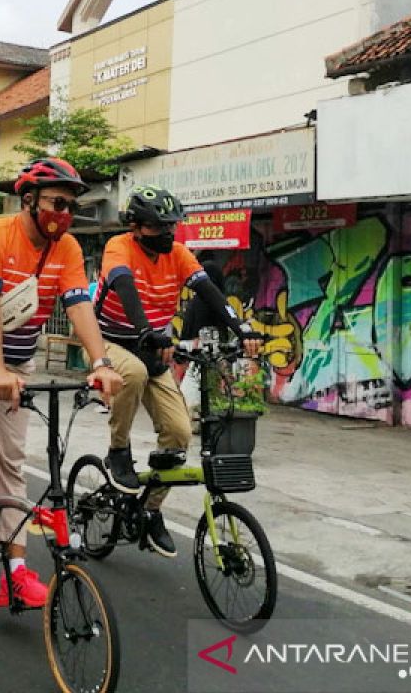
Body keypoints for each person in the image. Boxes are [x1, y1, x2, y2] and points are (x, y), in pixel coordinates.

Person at [0, 157, 124, 608]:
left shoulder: (68, 249)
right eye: (57, 203)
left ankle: (14, 572)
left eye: (72, 207)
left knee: (9, 468)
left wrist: (101, 361)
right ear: (29, 200)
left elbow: (78, 306)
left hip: (16, 362)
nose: (64, 214)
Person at [93, 185, 260, 558]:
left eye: (172, 225)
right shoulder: (119, 247)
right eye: (157, 226)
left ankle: (150, 510)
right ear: (135, 227)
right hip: (109, 341)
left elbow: (211, 294)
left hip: (153, 347)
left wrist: (242, 329)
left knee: (180, 432)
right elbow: (124, 288)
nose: (168, 233)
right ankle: (117, 451)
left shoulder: (179, 255)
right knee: (132, 372)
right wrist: (146, 332)